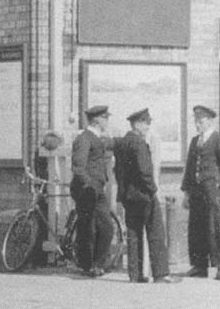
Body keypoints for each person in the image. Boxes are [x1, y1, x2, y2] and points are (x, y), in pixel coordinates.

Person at [114, 108, 181, 284]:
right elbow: (145, 172)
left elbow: (117, 171)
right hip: (145, 195)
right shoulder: (139, 143)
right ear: (137, 124)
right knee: (156, 232)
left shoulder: (122, 143)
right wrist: (153, 190)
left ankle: (135, 275)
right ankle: (161, 274)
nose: (148, 127)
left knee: (134, 234)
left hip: (129, 196)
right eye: (146, 123)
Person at [181, 104, 220, 280]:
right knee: (196, 228)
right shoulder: (194, 141)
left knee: (216, 227)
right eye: (196, 121)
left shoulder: (218, 139)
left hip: (212, 192)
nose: (197, 124)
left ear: (210, 121)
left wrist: (218, 182)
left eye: (201, 121)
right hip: (197, 192)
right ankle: (199, 266)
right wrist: (186, 193)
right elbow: (190, 169)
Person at [70, 104, 114, 277]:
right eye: (105, 118)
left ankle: (95, 264)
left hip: (97, 188)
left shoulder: (97, 138)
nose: (107, 121)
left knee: (104, 226)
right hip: (87, 189)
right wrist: (89, 184)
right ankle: (88, 266)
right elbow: (78, 166)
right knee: (88, 227)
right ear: (97, 120)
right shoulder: (84, 138)